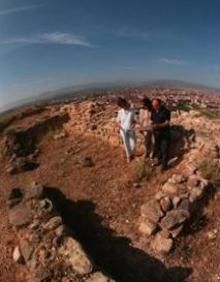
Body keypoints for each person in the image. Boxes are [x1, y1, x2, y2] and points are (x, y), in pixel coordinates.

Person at [151, 98, 171, 171]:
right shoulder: (153, 111)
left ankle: (164, 167)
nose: (154, 107)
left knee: (164, 150)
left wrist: (158, 126)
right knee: (158, 149)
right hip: (156, 134)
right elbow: (152, 120)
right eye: (153, 105)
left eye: (156, 105)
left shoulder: (166, 111)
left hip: (164, 134)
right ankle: (159, 161)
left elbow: (167, 123)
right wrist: (152, 125)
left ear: (160, 104)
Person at [116, 97, 136, 162]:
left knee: (133, 144)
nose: (123, 106)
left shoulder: (132, 111)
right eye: (121, 106)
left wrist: (133, 124)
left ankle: (132, 153)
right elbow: (118, 121)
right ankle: (129, 156)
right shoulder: (120, 112)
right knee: (126, 144)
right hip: (123, 130)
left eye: (123, 105)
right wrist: (118, 127)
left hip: (130, 129)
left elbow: (135, 120)